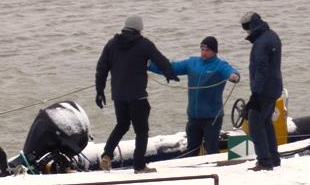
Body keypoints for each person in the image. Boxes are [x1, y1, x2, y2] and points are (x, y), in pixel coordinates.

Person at [95, 14, 179, 174]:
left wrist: (100, 91)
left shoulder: (111, 44)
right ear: (139, 29)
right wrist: (169, 73)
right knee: (141, 131)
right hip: (137, 96)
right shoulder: (143, 44)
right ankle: (139, 166)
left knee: (122, 125)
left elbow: (101, 69)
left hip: (119, 95)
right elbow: (160, 59)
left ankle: (107, 154)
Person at [148, 36, 240, 157]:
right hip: (194, 117)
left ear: (214, 51)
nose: (204, 52)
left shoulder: (219, 66)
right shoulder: (192, 63)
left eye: (207, 50)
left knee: (211, 149)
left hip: (212, 118)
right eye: (202, 49)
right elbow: (172, 67)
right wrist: (150, 65)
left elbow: (229, 70)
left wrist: (234, 75)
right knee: (192, 150)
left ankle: (217, 172)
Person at [241, 12, 283, 171]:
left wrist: (255, 95)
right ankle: (274, 158)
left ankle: (264, 161)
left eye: (247, 30)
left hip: (263, 90)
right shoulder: (272, 36)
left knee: (255, 124)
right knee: (266, 123)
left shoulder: (260, 43)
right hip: (274, 87)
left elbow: (261, 70)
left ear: (252, 27)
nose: (247, 33)